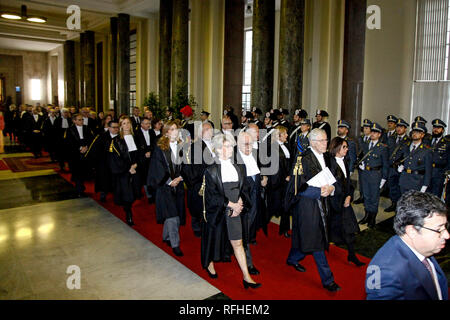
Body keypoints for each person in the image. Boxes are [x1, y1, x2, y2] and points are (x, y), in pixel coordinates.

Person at [201, 133, 261, 289]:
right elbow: (211, 197)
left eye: (230, 146)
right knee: (215, 241)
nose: (228, 149)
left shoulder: (239, 167)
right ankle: (210, 263)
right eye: (224, 147)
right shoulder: (211, 170)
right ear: (217, 149)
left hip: (236, 211)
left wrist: (240, 201)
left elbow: (245, 188)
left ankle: (246, 277)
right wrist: (230, 205)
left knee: (238, 243)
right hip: (219, 212)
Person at [285, 128, 341, 292]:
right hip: (307, 205)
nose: (326, 143)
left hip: (322, 203)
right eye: (323, 141)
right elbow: (297, 187)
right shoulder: (302, 159)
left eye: (326, 140)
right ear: (313, 142)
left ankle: (293, 258)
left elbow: (334, 178)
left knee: (306, 236)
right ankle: (328, 280)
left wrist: (331, 188)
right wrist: (319, 191)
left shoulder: (326, 157)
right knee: (316, 240)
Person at [366, 190, 449, 300]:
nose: (447, 235)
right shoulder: (386, 273)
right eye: (439, 230)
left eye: (445, 227)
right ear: (412, 231)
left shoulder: (421, 247)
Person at [147, 120, 186, 257]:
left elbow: (187, 165)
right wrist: (169, 182)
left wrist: (180, 178)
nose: (177, 131)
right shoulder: (160, 148)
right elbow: (157, 168)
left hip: (179, 185)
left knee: (173, 213)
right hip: (165, 186)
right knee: (173, 215)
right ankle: (175, 244)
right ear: (167, 132)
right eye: (174, 129)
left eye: (178, 129)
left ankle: (166, 236)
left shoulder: (182, 146)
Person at [328, 137, 364, 267]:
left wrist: (349, 196)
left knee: (348, 228)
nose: (347, 149)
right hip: (333, 202)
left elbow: (348, 182)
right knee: (329, 228)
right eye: (344, 147)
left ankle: (351, 255)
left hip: (344, 201)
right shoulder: (329, 163)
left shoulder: (346, 160)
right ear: (337, 148)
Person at [235, 131, 262, 275]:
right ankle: (248, 264)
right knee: (243, 233)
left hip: (254, 202)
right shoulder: (234, 159)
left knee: (246, 231)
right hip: (242, 205)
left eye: (251, 144)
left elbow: (256, 175)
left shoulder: (253, 155)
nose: (249, 147)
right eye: (246, 144)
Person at [182, 122, 215, 237]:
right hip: (200, 181)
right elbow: (195, 167)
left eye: (210, 129)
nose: (209, 131)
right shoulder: (196, 146)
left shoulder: (215, 144)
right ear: (200, 133)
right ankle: (196, 225)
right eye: (206, 130)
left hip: (213, 182)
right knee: (198, 206)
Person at [107, 117, 141, 226]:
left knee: (135, 192)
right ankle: (128, 213)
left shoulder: (136, 138)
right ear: (120, 125)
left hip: (135, 170)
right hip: (123, 171)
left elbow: (140, 153)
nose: (127, 125)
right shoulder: (116, 141)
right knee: (127, 195)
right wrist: (128, 168)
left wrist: (136, 165)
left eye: (128, 123)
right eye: (124, 123)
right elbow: (116, 159)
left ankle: (128, 208)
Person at [357, 122, 389, 228]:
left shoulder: (383, 147)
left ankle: (372, 218)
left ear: (379, 134)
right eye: (372, 132)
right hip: (365, 173)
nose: (372, 134)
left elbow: (385, 165)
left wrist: (384, 179)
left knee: (374, 197)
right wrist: (362, 164)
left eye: (375, 132)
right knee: (366, 195)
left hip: (376, 174)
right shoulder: (366, 144)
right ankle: (366, 215)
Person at [267, 126, 292, 237]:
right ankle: (260, 224)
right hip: (277, 182)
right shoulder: (273, 147)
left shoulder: (286, 146)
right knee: (273, 207)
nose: (287, 135)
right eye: (285, 133)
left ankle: (284, 229)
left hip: (286, 181)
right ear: (279, 135)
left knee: (286, 206)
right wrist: (284, 177)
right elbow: (274, 168)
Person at [88, 120, 119, 202]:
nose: (116, 129)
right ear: (109, 128)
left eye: (117, 127)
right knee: (104, 179)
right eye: (114, 127)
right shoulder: (102, 137)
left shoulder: (120, 137)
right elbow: (95, 150)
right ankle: (103, 194)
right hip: (104, 163)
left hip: (116, 163)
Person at [398, 122, 432, 194]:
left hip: (417, 182)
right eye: (413, 131)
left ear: (422, 135)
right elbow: (402, 160)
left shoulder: (426, 150)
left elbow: (428, 170)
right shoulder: (406, 147)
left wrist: (425, 185)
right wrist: (400, 166)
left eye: (418, 132)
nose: (414, 134)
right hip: (404, 180)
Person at [64, 113, 94, 197]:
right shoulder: (70, 130)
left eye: (82, 120)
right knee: (77, 172)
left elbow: (91, 138)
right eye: (79, 120)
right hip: (75, 154)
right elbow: (69, 142)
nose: (82, 121)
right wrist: (80, 148)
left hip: (86, 152)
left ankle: (81, 186)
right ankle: (79, 189)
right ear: (74, 121)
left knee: (83, 171)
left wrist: (86, 147)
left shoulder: (87, 128)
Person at [385, 118, 410, 213]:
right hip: (391, 167)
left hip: (401, 168)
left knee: (400, 187)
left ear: (405, 129)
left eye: (401, 127)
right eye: (398, 127)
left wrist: (403, 164)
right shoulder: (391, 138)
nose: (399, 129)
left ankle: (400, 206)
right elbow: (387, 152)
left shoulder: (408, 140)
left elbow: (409, 155)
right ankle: (394, 203)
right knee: (392, 187)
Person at [134, 118, 155, 203]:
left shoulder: (151, 132)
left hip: (151, 157)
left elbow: (154, 144)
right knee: (143, 178)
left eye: (149, 123)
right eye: (146, 124)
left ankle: (151, 194)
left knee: (151, 176)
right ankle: (147, 195)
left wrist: (151, 152)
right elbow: (136, 147)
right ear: (141, 124)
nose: (148, 125)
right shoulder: (136, 133)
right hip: (142, 158)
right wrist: (144, 154)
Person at [429, 119, 450, 198]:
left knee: (435, 196)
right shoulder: (427, 140)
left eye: (438, 128)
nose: (436, 130)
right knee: (425, 195)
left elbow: (448, 160)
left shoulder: (447, 143)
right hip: (426, 171)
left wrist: (445, 174)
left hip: (438, 173)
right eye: (434, 127)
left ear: (443, 130)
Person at [354, 119, 372, 205]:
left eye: (367, 128)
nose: (365, 130)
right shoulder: (360, 138)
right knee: (361, 181)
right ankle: (361, 196)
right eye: (364, 128)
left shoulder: (372, 140)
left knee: (367, 182)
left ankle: (366, 196)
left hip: (368, 164)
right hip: (360, 162)